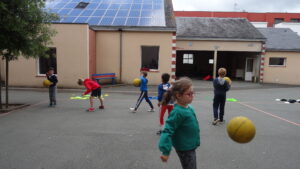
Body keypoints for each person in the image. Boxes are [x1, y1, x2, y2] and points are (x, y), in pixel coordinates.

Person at [158, 77, 200, 169]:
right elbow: (167, 131)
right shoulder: (177, 112)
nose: (192, 95)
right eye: (189, 94)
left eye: (193, 93)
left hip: (190, 145)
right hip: (185, 149)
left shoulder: (189, 107)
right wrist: (165, 151)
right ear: (178, 95)